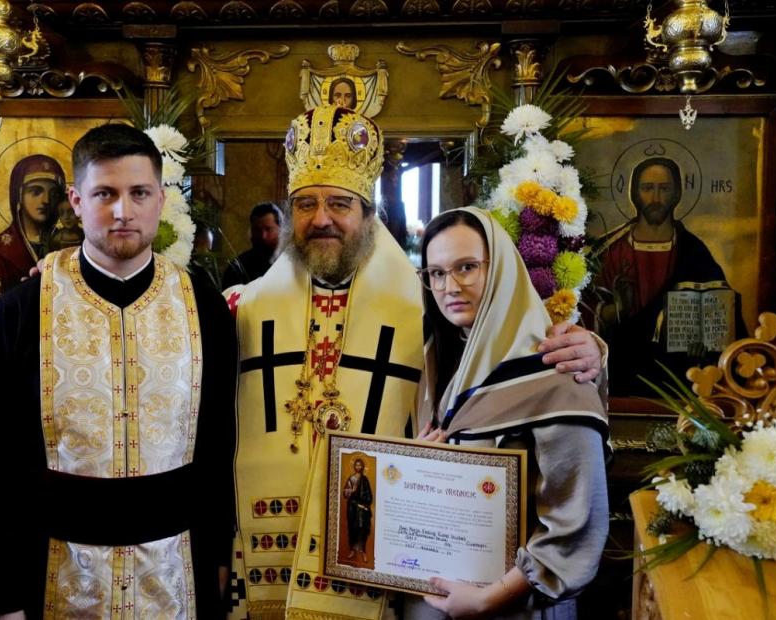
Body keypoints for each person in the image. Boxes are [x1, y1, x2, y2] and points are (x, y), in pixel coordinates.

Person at [226, 104, 604, 620]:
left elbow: (512, 348)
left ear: (369, 215)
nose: (322, 219)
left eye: (340, 203)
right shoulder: (240, 308)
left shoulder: (423, 305)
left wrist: (591, 351)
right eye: (306, 204)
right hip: (267, 549)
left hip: (389, 566)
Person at [0, 124, 237, 619]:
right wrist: (0, 599)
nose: (123, 211)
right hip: (51, 568)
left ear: (160, 199)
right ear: (76, 200)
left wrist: (219, 554)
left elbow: (218, 447)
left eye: (139, 193)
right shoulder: (20, 313)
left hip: (177, 572)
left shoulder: (204, 307)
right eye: (105, 193)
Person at [406, 207, 609, 620]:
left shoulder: (559, 373)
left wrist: (490, 598)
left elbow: (576, 522)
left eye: (466, 267)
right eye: (436, 273)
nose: (449, 287)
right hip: (443, 596)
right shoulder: (438, 365)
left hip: (518, 608)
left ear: (500, 269)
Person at [594, 156, 745, 395]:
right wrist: (617, 310)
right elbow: (582, 309)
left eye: (664, 189)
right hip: (622, 367)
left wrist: (706, 344)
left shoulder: (693, 251)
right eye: (647, 188)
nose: (655, 198)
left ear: (677, 194)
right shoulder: (611, 250)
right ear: (634, 193)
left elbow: (721, 312)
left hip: (676, 376)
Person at [0, 154, 64, 348]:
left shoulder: (70, 247)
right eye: (35, 191)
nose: (46, 200)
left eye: (53, 194)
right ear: (18, 195)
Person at [221, 202, 282, 289]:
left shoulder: (292, 263)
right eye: (257, 230)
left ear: (280, 229)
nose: (263, 236)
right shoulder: (237, 268)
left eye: (268, 229)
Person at [342, 457, 373, 564]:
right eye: (356, 465)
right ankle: (352, 550)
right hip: (352, 509)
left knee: (362, 530)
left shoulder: (365, 480)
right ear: (354, 466)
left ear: (362, 467)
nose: (358, 467)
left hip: (362, 510)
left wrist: (365, 504)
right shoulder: (351, 479)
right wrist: (352, 490)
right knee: (352, 529)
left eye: (360, 465)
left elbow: (369, 495)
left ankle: (363, 551)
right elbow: (345, 493)